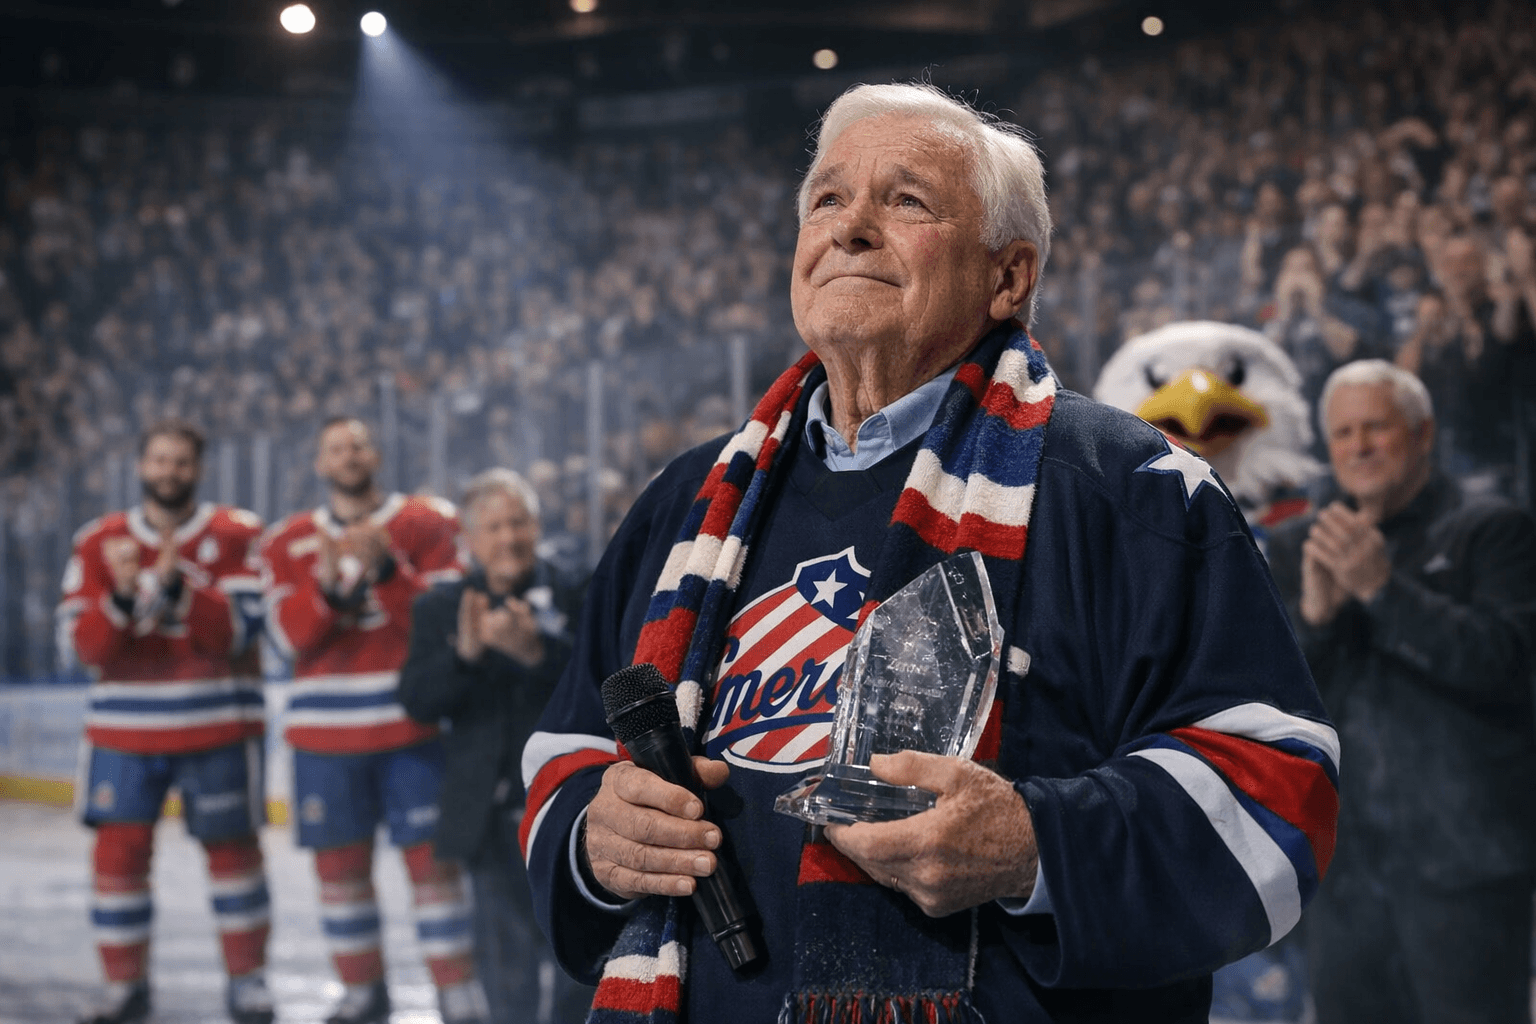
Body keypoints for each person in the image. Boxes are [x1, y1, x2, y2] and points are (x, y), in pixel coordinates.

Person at [520, 83, 1338, 1022]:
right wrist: (596, 842)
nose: (851, 228)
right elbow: (567, 754)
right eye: (827, 199)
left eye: (905, 201)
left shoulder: (1133, 488)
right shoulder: (682, 507)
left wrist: (1036, 847)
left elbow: (1280, 792)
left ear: (1009, 278)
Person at [1267, 359, 1536, 1024]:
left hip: (1464, 874)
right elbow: (1275, 708)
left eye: (1376, 429)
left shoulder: (1494, 530)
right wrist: (1320, 624)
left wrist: (1384, 591)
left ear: (1423, 433)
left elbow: (1508, 665)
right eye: (1343, 433)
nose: (1358, 447)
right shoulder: (1303, 544)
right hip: (1344, 876)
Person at [259, 417, 486, 1024]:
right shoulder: (288, 541)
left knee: (433, 870)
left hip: (411, 730)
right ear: (319, 464)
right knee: (340, 875)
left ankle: (457, 993)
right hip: (324, 740)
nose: (348, 455)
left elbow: (445, 621)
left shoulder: (426, 521)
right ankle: (361, 993)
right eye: (335, 447)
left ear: (375, 455)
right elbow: (285, 639)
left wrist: (388, 573)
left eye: (357, 444)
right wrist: (328, 593)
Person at [56, 419, 273, 1024]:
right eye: (159, 460)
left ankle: (247, 983)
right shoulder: (97, 541)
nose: (169, 472)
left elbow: (240, 634)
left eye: (180, 462)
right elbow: (86, 650)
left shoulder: (237, 535)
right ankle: (124, 987)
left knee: (235, 855)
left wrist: (179, 588)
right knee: (117, 859)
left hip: (219, 728)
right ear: (141, 466)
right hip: (124, 734)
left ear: (197, 469)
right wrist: (123, 598)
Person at [399, 468, 595, 1024]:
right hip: (487, 816)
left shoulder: (580, 591)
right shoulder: (439, 608)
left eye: (518, 522)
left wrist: (537, 655)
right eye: (494, 527)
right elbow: (416, 700)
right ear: (470, 539)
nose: (508, 537)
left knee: (576, 955)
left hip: (571, 808)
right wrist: (465, 657)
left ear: (536, 525)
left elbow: (607, 687)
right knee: (503, 966)